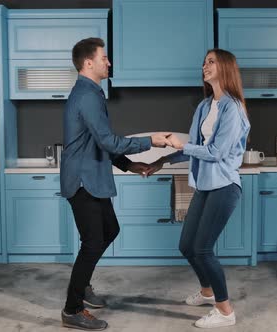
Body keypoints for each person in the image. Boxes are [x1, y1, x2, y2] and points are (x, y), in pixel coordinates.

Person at [59, 37, 171, 331]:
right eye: (104, 57)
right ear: (88, 63)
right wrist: (151, 141)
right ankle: (72, 309)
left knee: (110, 230)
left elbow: (98, 145)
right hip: (83, 180)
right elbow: (108, 141)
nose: (108, 62)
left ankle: (81, 286)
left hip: (90, 176)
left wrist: (129, 165)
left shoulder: (90, 93)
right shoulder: (87, 95)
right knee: (94, 241)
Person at [146, 48, 250, 328]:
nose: (205, 66)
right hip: (204, 186)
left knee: (203, 249)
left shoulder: (234, 108)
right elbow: (193, 148)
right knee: (186, 247)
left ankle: (226, 312)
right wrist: (162, 161)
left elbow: (215, 152)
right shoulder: (205, 106)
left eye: (211, 61)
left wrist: (181, 145)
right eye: (204, 62)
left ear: (226, 67)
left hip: (225, 186)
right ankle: (207, 292)